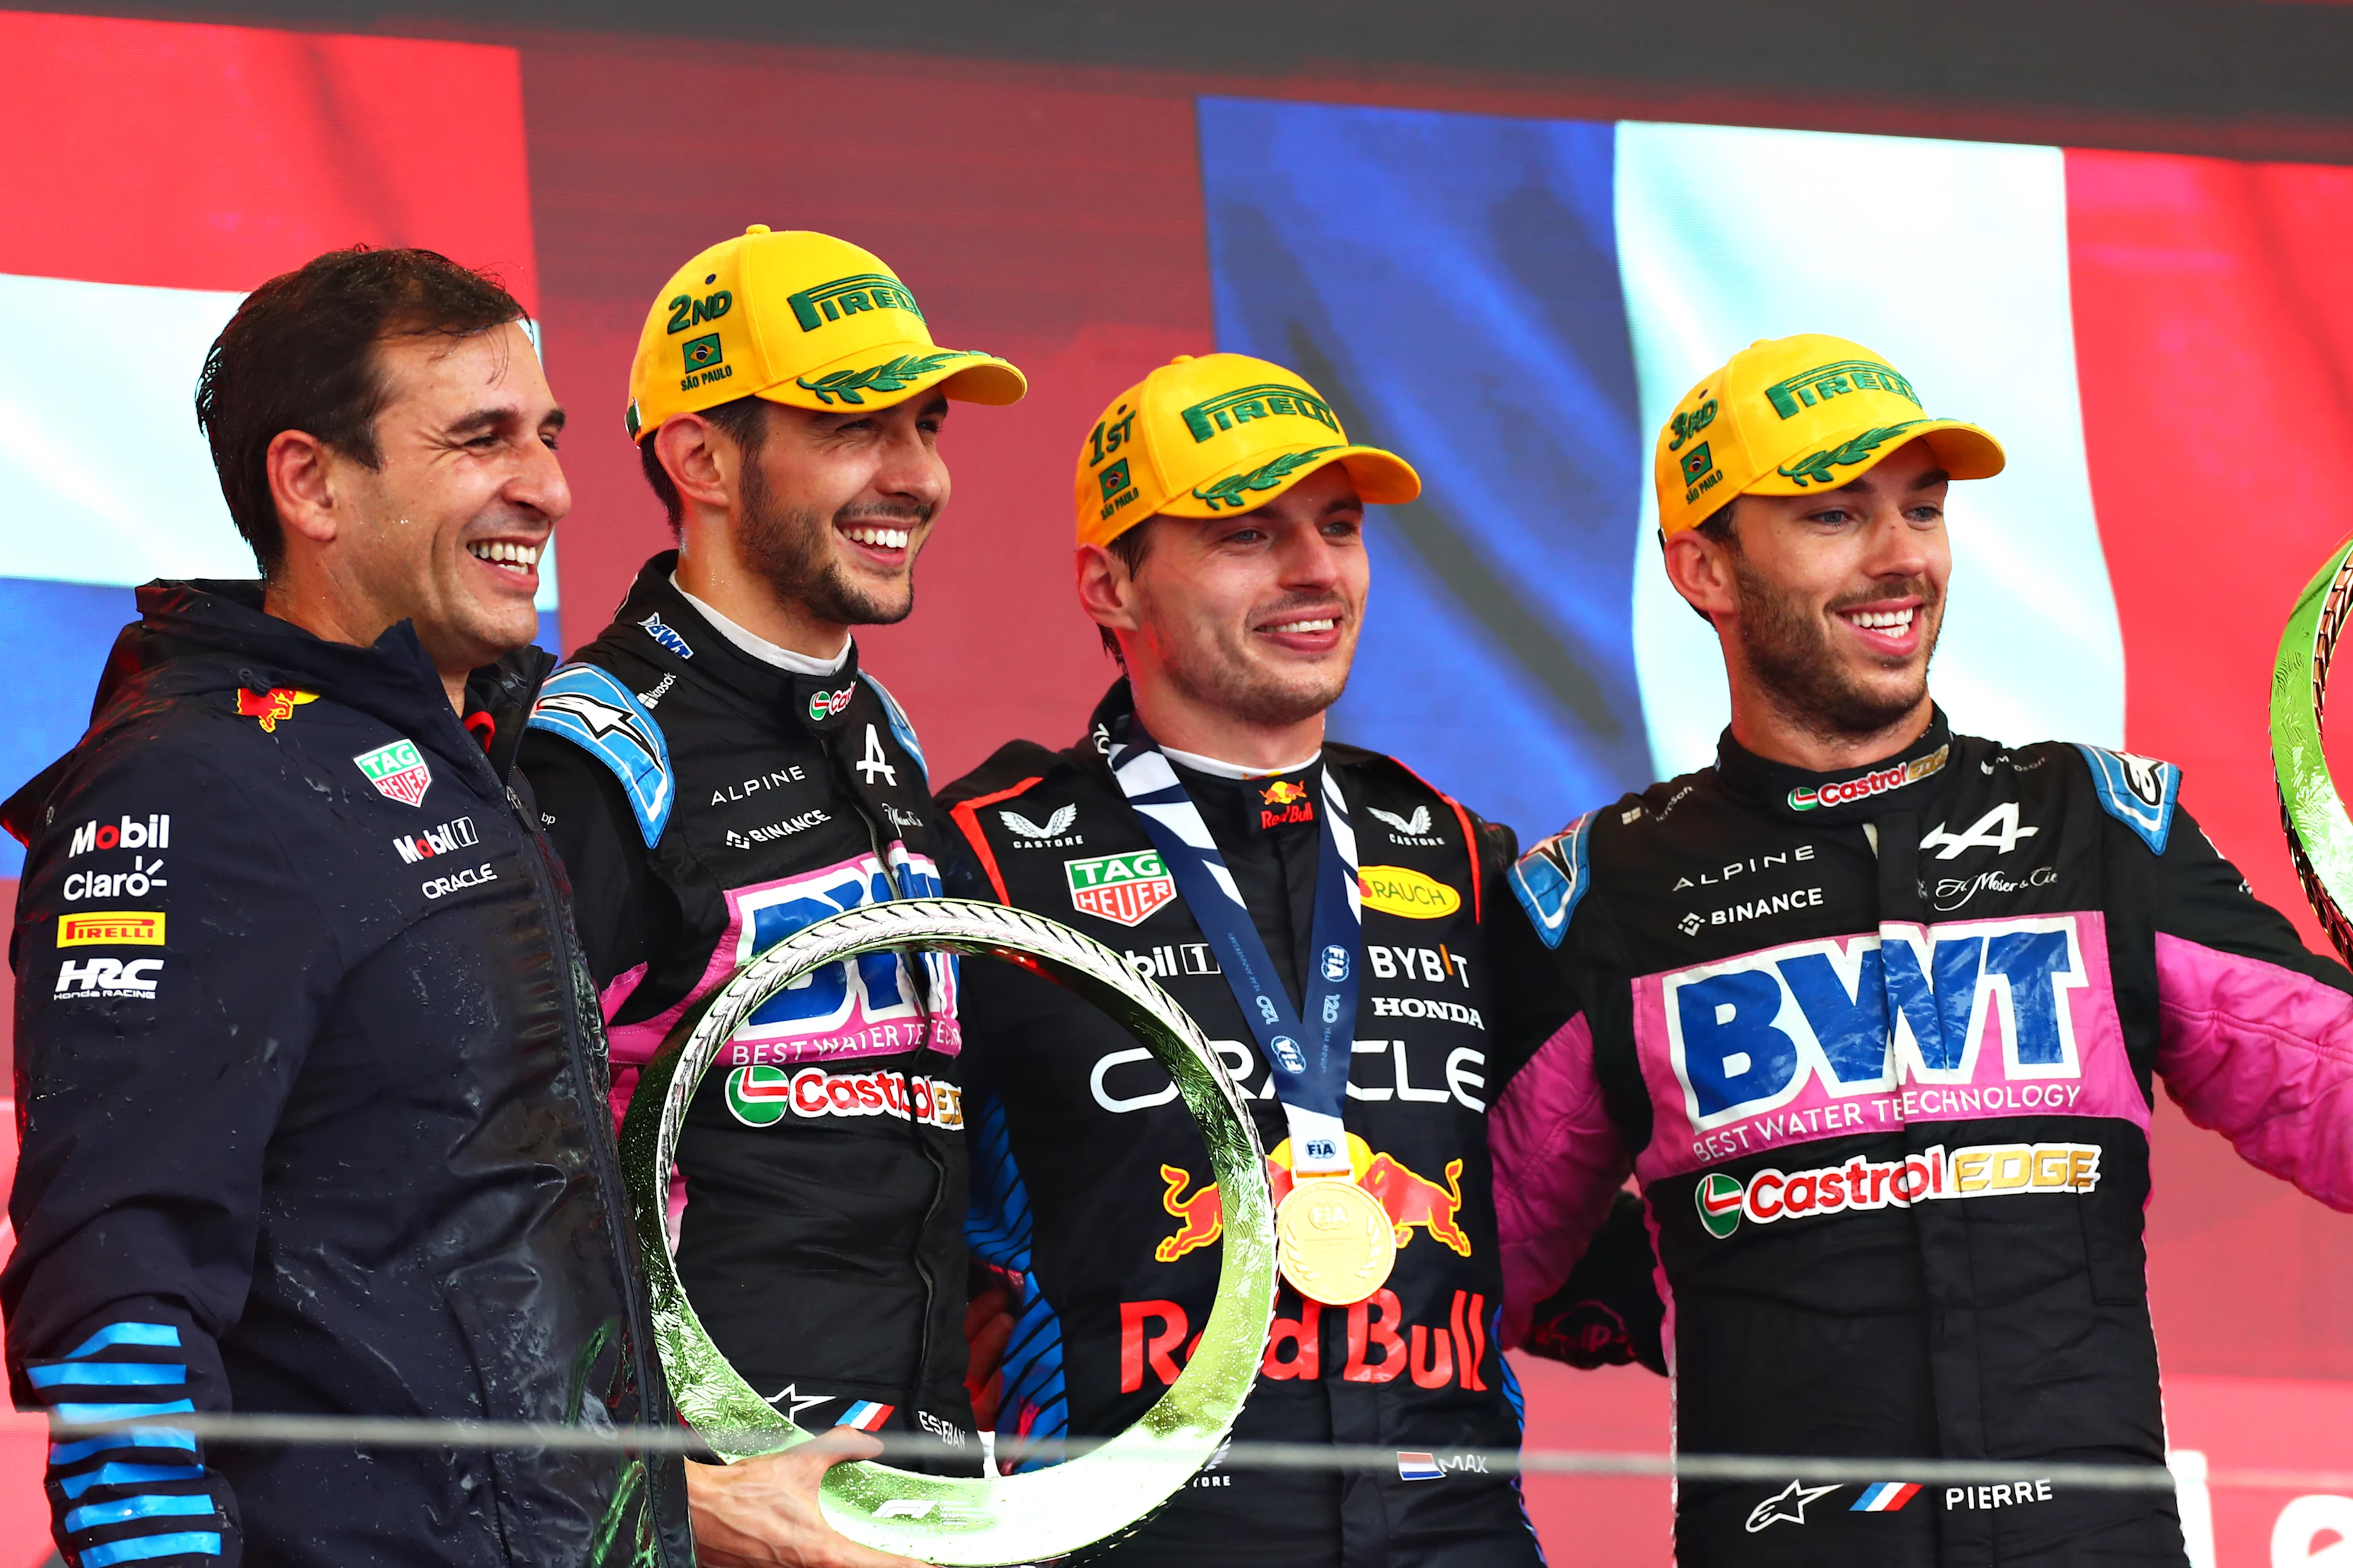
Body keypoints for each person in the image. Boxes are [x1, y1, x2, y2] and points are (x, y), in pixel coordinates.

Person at [1, 245, 913, 1568]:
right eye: (481, 440)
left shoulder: (481, 755)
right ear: (312, 483)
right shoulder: (198, 782)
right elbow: (118, 1304)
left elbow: (489, 1306)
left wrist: (687, 1512)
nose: (547, 486)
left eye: (545, 435)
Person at [1494, 332, 2353, 1567]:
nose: (1901, 555)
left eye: (1924, 509)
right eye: (1835, 515)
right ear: (1704, 568)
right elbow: (1471, 1253)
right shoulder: (1609, 891)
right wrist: (1660, 1296)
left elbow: (2324, 1080)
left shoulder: (2092, 825)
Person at [938, 352, 1641, 1568]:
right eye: (1246, 534)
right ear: (1110, 584)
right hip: (1139, 1540)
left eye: (1340, 527)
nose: (1316, 569)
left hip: (1455, 1534)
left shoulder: (1457, 853)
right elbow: (856, 1211)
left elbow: (1557, 1202)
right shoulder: (987, 863)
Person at [517, 227, 1025, 1474]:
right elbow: (509, 1184)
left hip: (912, 1478)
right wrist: (657, 1482)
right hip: (723, 1493)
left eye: (927, 427)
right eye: (856, 428)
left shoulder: (879, 726)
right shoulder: (597, 749)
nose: (917, 476)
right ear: (700, 457)